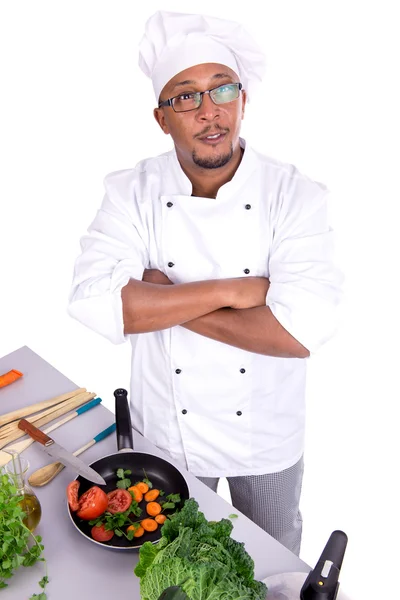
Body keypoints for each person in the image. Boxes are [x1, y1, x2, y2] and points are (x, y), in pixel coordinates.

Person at [68, 10, 343, 556]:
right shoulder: (132, 193)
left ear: (244, 100)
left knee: (274, 561)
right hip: (169, 434)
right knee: (175, 561)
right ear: (161, 118)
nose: (209, 111)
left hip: (265, 433)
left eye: (222, 88)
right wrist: (232, 292)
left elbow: (298, 333)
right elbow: (95, 302)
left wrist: (161, 297)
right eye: (185, 96)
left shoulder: (296, 196)